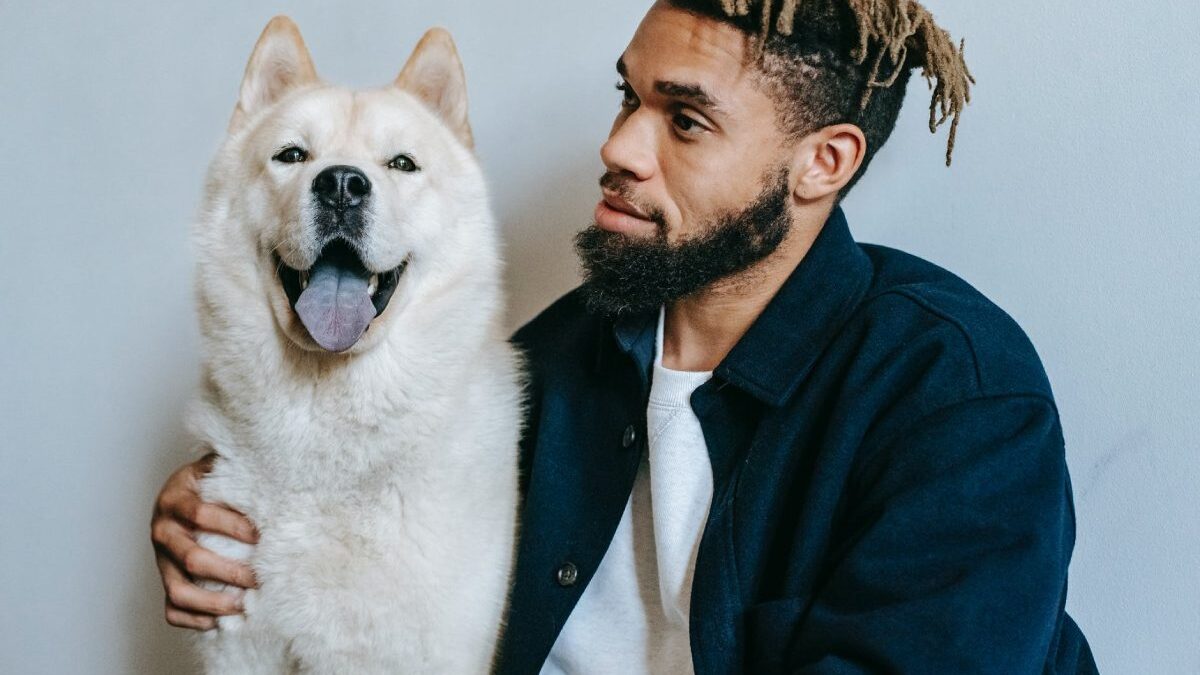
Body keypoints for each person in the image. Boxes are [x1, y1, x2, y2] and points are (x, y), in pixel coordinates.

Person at [150, 0, 1099, 672]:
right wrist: (217, 511)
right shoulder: (552, 364)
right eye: (627, 99)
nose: (618, 148)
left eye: (684, 120)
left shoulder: (957, 396)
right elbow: (366, 491)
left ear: (823, 162)